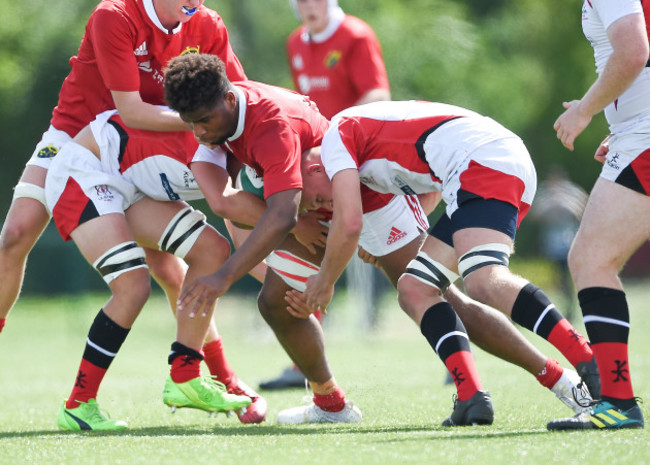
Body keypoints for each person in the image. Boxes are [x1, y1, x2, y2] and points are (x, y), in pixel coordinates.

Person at [0, 0, 256, 429]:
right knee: (15, 235)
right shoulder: (116, 15)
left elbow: (242, 99)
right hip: (77, 136)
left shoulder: (206, 23)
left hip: (138, 148)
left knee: (176, 270)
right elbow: (135, 108)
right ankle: (84, 402)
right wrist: (205, 122)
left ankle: (219, 379)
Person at [293, 100, 599, 425]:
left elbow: (349, 222)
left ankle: (591, 361)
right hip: (474, 171)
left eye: (315, 200)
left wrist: (325, 281)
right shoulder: (359, 156)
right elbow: (427, 191)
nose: (321, 207)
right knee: (415, 289)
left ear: (313, 169)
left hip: (483, 162)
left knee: (484, 281)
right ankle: (471, 397)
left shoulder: (335, 139)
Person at [164, 53, 363, 423]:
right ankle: (331, 405)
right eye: (190, 124)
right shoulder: (221, 116)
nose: (199, 132)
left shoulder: (270, 125)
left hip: (351, 200)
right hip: (309, 210)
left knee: (418, 286)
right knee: (278, 303)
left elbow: (283, 211)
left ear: (227, 99)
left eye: (204, 121)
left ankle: (469, 384)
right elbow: (226, 201)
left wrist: (223, 276)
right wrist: (293, 223)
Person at [45, 111, 262, 430]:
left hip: (128, 183)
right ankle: (78, 404)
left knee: (211, 250)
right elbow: (240, 214)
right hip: (83, 173)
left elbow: (245, 226)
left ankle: (185, 375)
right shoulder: (215, 142)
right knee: (133, 286)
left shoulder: (239, 143)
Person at [256, 0, 393, 390]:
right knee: (296, 270)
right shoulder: (295, 42)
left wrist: (337, 136)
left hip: (357, 168)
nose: (308, 5)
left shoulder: (355, 34)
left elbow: (378, 96)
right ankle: (307, 369)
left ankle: (456, 352)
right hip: (318, 178)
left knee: (405, 268)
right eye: (300, 0)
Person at [546, 0, 648, 430]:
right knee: (590, 260)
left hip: (644, 136)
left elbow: (633, 53)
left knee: (590, 260)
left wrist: (585, 110)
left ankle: (619, 402)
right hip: (636, 133)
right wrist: (617, 118)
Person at [527, 166, 588, 322]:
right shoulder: (544, 194)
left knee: (573, 277)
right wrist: (551, 201)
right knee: (560, 279)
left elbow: (582, 210)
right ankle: (568, 306)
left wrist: (564, 200)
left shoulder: (572, 192)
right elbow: (533, 215)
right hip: (552, 245)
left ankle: (575, 306)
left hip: (570, 243)